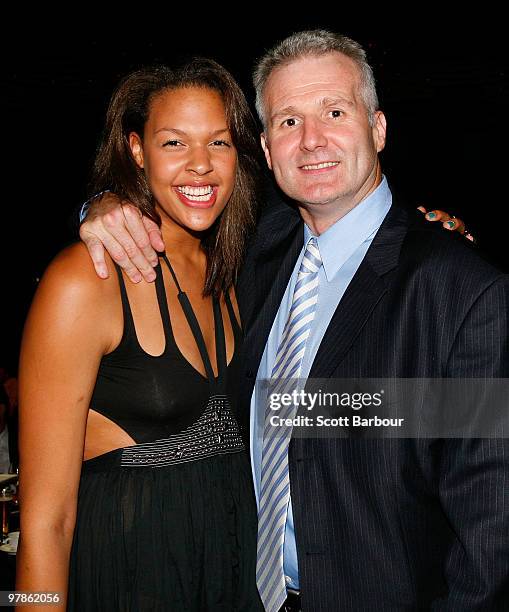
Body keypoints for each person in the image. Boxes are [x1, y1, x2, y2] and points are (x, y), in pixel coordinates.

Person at [79, 31, 509, 611]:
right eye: (288, 121)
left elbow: (491, 531)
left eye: (334, 111)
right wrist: (102, 205)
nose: (311, 141)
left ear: (377, 128)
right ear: (265, 144)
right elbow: (178, 192)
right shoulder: (258, 252)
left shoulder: (459, 291)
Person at [17, 59, 264, 611]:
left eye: (219, 143)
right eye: (174, 142)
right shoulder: (85, 279)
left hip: (228, 580)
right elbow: (44, 522)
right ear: (136, 149)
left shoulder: (239, 270)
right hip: (127, 582)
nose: (200, 165)